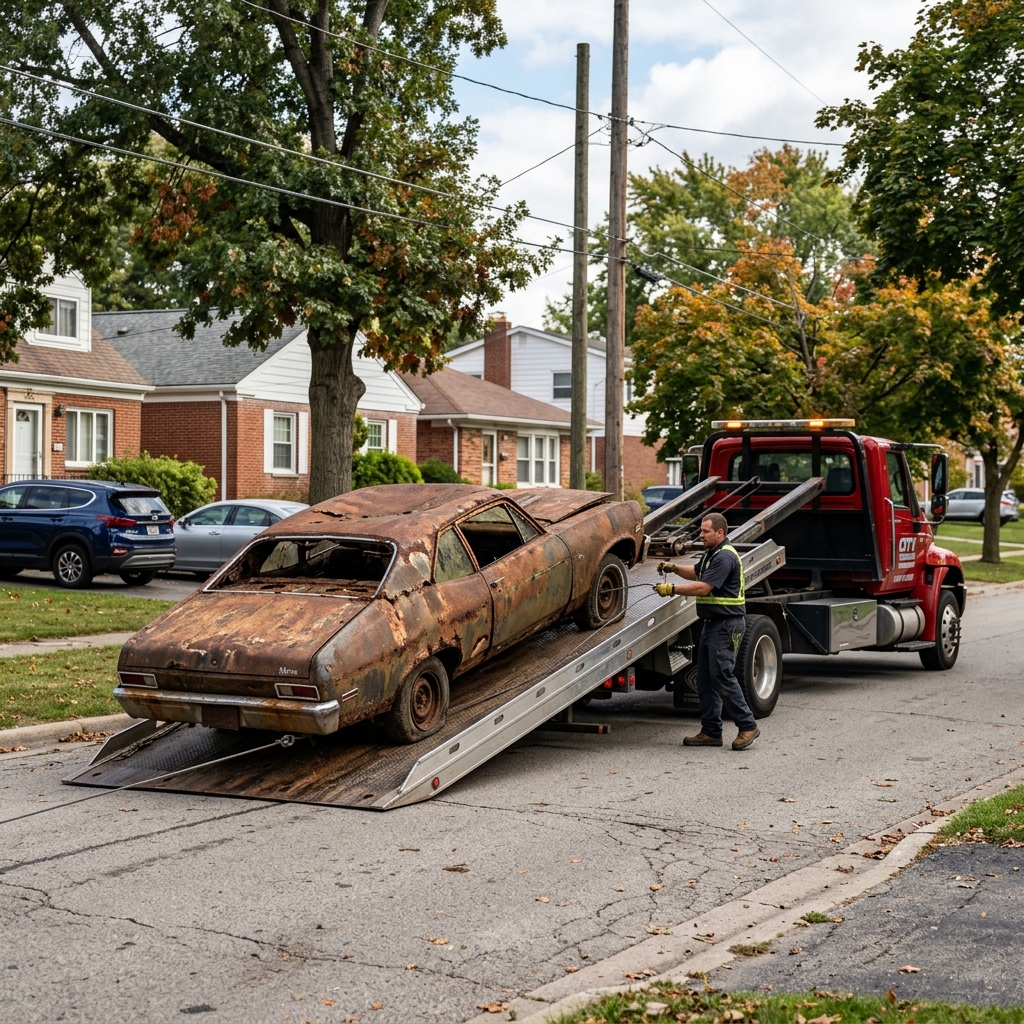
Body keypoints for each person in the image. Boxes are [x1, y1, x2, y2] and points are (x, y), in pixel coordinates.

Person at [651, 512, 760, 750]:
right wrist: (674, 567)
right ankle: (711, 732)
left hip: (726, 624)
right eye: (701, 531)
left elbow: (703, 587)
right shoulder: (713, 554)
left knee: (722, 676)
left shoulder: (725, 557)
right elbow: (697, 573)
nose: (701, 535)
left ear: (719, 533)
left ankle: (747, 725)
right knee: (705, 680)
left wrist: (671, 589)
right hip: (713, 624)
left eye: (705, 531)